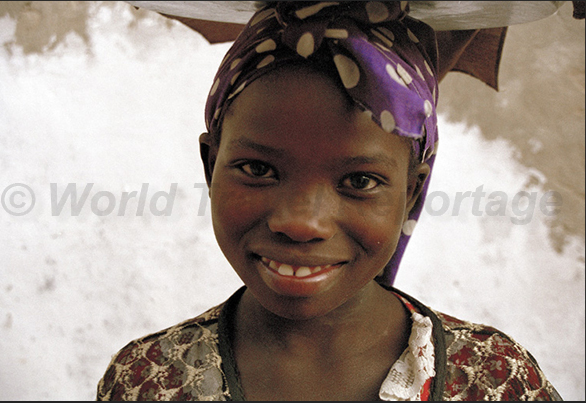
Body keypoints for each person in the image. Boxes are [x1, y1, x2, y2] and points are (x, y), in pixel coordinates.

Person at [97, 2, 562, 400]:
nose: (301, 222)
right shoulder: (149, 381)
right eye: (259, 170)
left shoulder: (492, 380)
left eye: (359, 180)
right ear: (209, 166)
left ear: (412, 191)